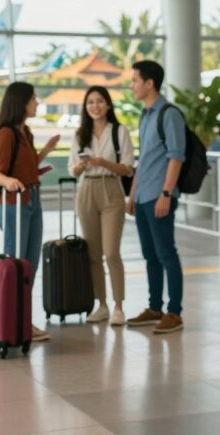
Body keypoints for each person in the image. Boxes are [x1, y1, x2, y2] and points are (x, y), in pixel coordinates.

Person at [0, 82, 60, 343]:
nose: (37, 103)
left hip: (32, 199)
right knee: (14, 265)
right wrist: (7, 181)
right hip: (14, 203)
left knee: (28, 266)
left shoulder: (25, 133)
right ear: (21, 103)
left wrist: (45, 153)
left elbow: (26, 166)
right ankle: (11, 321)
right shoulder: (6, 134)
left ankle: (23, 321)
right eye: (33, 99)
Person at [124, 60, 185, 334]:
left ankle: (174, 312)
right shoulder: (145, 114)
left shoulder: (168, 114)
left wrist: (166, 194)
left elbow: (176, 156)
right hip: (143, 195)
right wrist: (132, 194)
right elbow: (144, 159)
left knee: (166, 254)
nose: (131, 85)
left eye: (135, 80)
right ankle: (154, 307)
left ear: (149, 83)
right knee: (150, 255)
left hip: (160, 195)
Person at [69, 86, 135, 326]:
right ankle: (102, 305)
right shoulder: (80, 135)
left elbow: (127, 168)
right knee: (93, 254)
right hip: (86, 189)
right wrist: (81, 167)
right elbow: (72, 168)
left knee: (111, 252)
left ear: (108, 105)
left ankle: (119, 306)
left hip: (111, 190)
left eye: (99, 101)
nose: (94, 106)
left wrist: (103, 162)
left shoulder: (119, 131)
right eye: (90, 103)